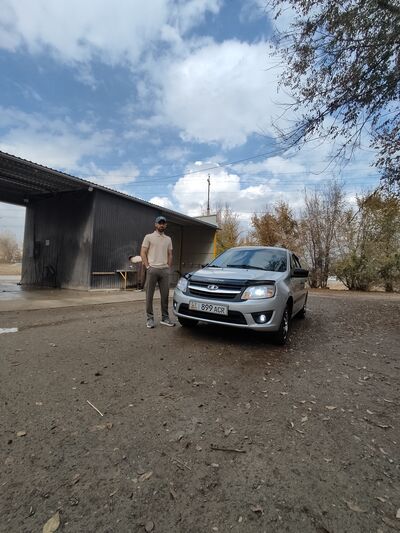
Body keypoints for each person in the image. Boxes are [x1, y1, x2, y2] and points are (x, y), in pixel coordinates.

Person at [140, 216, 175, 328]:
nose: (161, 225)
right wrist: (147, 266)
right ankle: (150, 319)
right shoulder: (148, 237)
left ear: (166, 225)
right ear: (155, 225)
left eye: (163, 223)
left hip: (164, 271)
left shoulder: (168, 239)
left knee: (165, 296)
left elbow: (170, 254)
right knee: (149, 296)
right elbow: (143, 252)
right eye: (160, 223)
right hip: (152, 269)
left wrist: (168, 267)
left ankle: (165, 318)